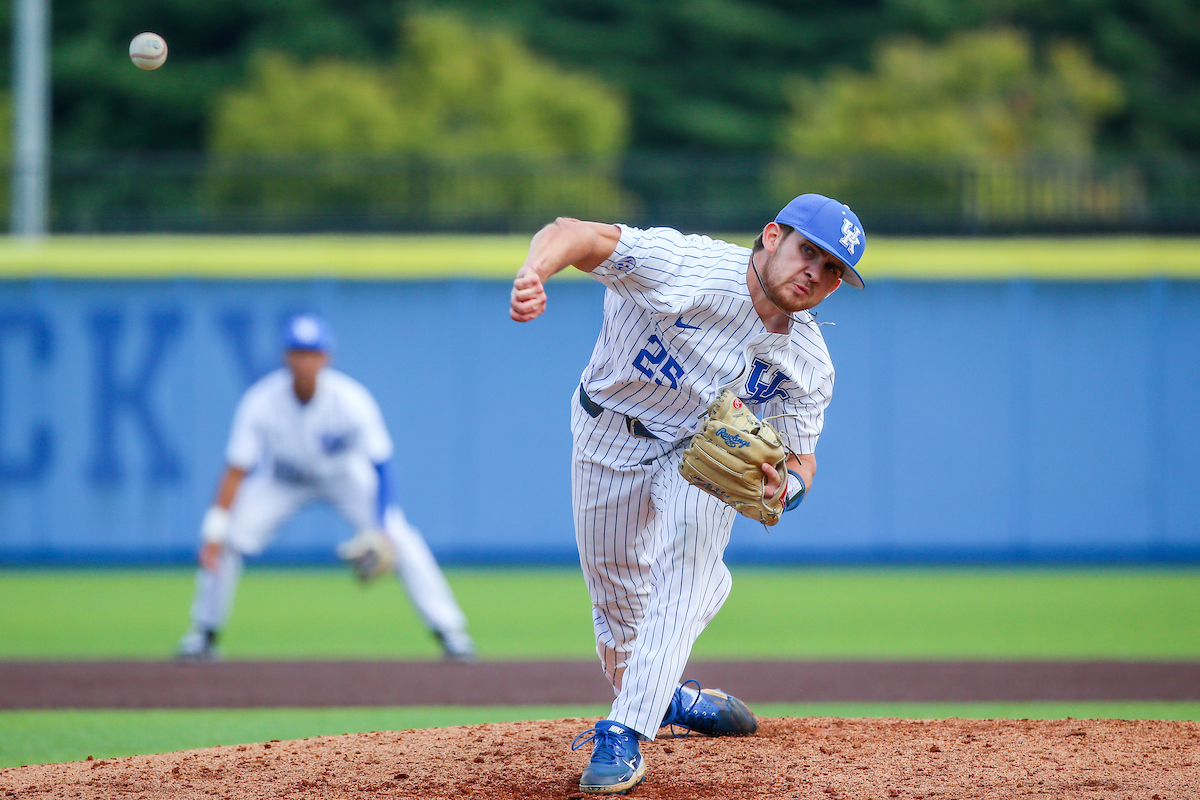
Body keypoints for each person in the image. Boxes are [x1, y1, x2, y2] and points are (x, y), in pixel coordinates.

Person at [509, 194, 865, 793]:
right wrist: (533, 272)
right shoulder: (685, 267)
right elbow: (575, 233)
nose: (815, 273)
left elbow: (802, 461)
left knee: (689, 554)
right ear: (772, 236)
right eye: (809, 251)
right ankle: (666, 696)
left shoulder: (807, 361)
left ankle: (625, 730)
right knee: (619, 613)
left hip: (697, 457)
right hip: (607, 433)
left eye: (833, 270)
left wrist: (788, 487)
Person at [176, 313, 476, 663]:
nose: (305, 361)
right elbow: (235, 470)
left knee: (401, 538)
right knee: (224, 540)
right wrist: (214, 529)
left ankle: (451, 633)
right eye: (298, 352)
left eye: (312, 352)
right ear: (285, 356)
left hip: (343, 477)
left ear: (326, 357)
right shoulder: (261, 400)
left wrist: (381, 526)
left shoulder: (351, 399)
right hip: (282, 480)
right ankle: (203, 633)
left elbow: (382, 465)